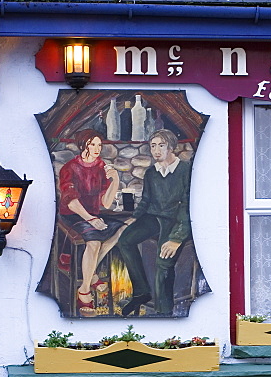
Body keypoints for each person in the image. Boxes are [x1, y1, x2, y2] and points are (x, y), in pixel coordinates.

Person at [117, 129, 192, 317]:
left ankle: (163, 312)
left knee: (163, 262)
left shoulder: (185, 170)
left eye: (161, 145)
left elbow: (188, 205)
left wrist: (176, 238)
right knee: (125, 239)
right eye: (153, 146)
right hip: (153, 217)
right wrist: (134, 217)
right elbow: (146, 199)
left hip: (176, 220)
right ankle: (142, 292)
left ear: (171, 147)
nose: (156, 150)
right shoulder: (151, 172)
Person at [58, 130, 123, 316]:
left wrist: (115, 181)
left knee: (122, 230)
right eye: (92, 144)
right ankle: (84, 290)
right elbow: (71, 201)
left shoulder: (102, 167)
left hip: (93, 214)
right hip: (72, 215)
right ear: (82, 145)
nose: (96, 149)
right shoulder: (69, 168)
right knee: (94, 242)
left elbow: (106, 203)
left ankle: (91, 271)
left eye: (99, 145)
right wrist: (92, 220)